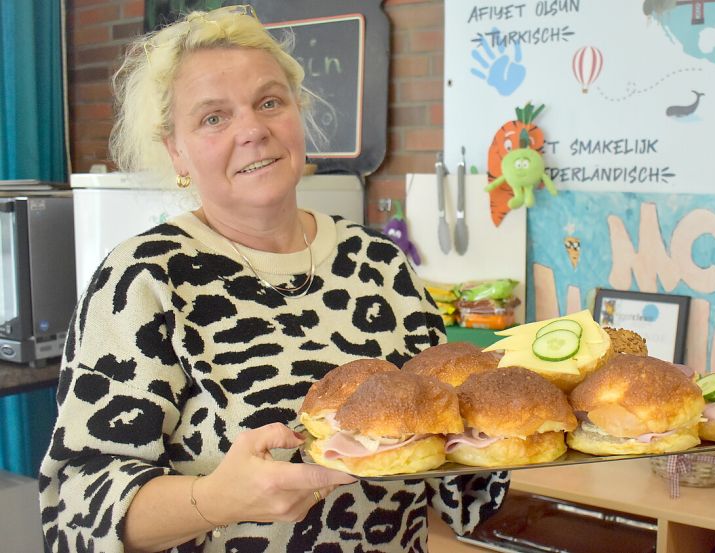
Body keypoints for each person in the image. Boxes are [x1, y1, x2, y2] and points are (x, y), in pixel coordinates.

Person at [38, 6, 508, 552]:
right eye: (213, 117)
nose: (253, 130)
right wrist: (216, 499)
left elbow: (453, 479)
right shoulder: (146, 279)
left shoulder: (380, 262)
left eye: (269, 102)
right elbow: (73, 509)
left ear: (297, 115)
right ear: (176, 149)